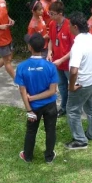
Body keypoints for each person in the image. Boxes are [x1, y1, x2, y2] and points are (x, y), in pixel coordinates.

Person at [15, 33, 58, 163]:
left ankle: (27, 156)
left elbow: (22, 91)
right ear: (44, 46)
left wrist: (29, 108)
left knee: (31, 131)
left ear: (29, 47)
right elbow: (52, 91)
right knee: (50, 130)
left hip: (33, 108)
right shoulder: (51, 66)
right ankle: (49, 157)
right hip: (50, 105)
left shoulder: (21, 67)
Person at [65, 12, 92, 150]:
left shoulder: (78, 45)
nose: (68, 27)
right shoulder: (90, 37)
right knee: (91, 109)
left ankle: (80, 140)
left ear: (75, 26)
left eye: (69, 25)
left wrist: (72, 86)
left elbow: (73, 70)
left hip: (82, 83)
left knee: (72, 110)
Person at [46, 1, 74, 117]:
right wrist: (49, 51)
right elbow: (52, 40)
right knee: (62, 86)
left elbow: (74, 49)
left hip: (68, 63)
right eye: (50, 13)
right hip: (57, 63)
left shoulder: (69, 26)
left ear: (60, 13)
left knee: (72, 86)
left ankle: (73, 107)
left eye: (52, 13)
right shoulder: (52, 24)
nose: (50, 16)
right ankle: (63, 107)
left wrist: (62, 60)